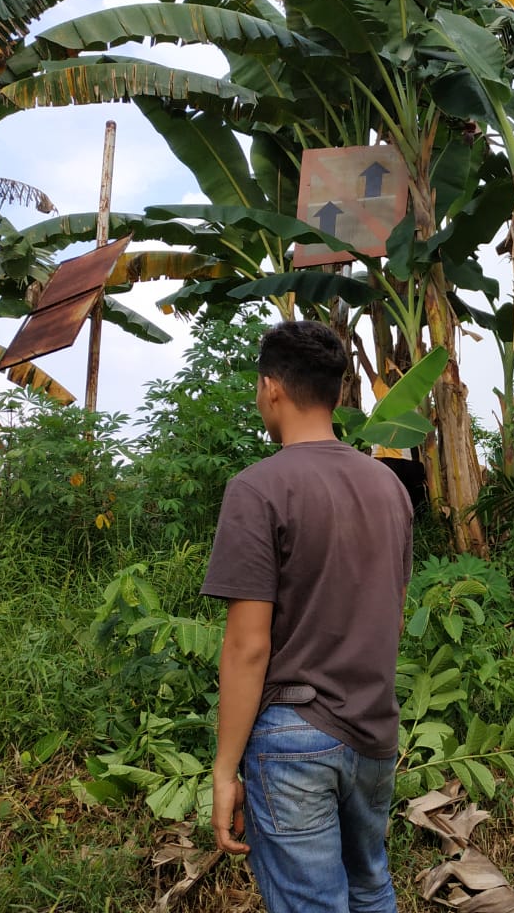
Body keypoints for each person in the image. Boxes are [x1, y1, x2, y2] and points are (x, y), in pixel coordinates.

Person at [201, 320, 413, 913]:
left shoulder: (258, 488)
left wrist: (224, 770)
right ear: (338, 392)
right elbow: (392, 620)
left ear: (271, 388)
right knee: (370, 887)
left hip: (292, 736)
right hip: (374, 730)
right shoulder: (389, 488)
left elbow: (247, 647)